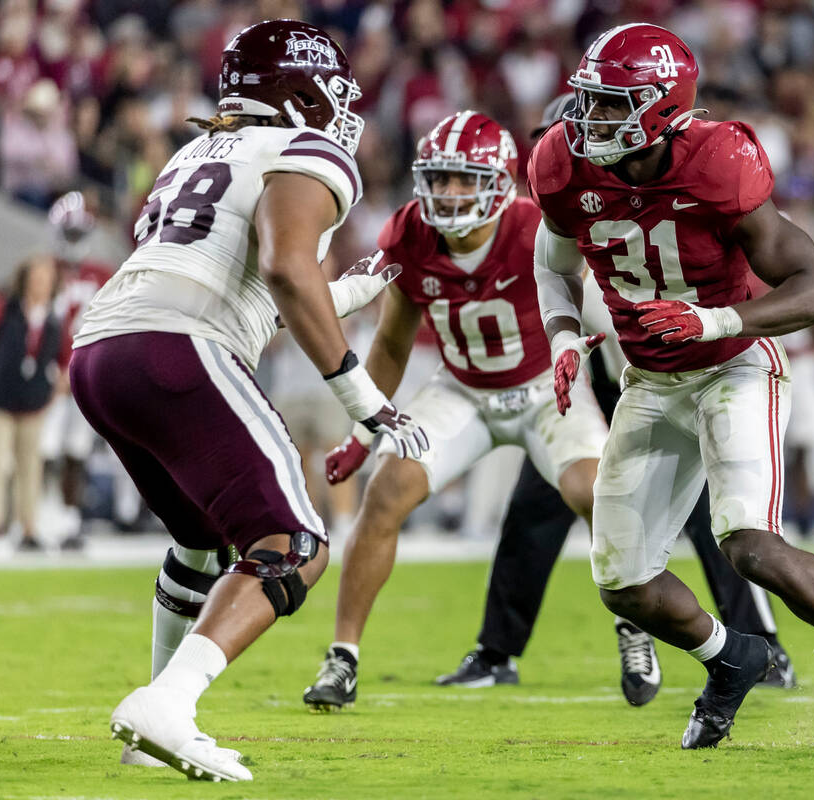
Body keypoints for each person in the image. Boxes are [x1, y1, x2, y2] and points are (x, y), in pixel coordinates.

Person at [530, 23, 814, 749]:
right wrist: (566, 337)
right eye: (590, 102)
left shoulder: (717, 162)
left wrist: (713, 320)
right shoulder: (564, 165)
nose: (589, 120)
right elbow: (553, 264)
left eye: (610, 105)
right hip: (650, 381)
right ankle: (732, 658)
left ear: (661, 107)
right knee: (622, 584)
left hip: (733, 366)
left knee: (749, 546)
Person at [68, 21, 427, 782]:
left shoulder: (197, 150)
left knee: (200, 539)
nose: (340, 111)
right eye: (331, 91)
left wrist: (363, 284)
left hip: (103, 350)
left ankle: (153, 729)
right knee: (293, 543)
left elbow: (256, 278)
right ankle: (168, 705)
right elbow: (287, 269)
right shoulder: (305, 149)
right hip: (178, 345)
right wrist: (366, 399)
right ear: (296, 90)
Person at [444, 95, 796, 706]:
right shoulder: (560, 209)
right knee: (539, 504)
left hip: (657, 375)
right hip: (587, 388)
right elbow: (551, 287)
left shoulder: (639, 202)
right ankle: (501, 648)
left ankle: (761, 640)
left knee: (714, 517)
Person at [302, 110, 614, 712]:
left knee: (596, 494)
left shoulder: (536, 229)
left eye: (462, 180)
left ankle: (632, 628)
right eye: (439, 179)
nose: (447, 193)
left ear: (500, 182)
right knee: (385, 494)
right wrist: (364, 434)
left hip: (545, 390)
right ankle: (342, 657)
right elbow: (392, 342)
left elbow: (591, 307)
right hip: (463, 390)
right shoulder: (412, 234)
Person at [0, 253, 69, 551]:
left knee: (30, 467)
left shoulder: (52, 319)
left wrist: (56, 388)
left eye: (46, 279)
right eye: (36, 278)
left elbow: (65, 358)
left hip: (32, 403)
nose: (41, 284)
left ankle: (28, 528)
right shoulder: (4, 308)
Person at [39, 191, 115, 548]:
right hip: (50, 376)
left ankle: (69, 519)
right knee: (45, 448)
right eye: (68, 234)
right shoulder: (44, 271)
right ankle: (41, 514)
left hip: (85, 374)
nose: (73, 242)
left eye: (77, 234)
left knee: (76, 449)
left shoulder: (101, 273)